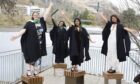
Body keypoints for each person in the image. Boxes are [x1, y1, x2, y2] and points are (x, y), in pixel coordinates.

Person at [11, 2, 53, 76]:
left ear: (39, 16)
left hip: (39, 44)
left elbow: (46, 14)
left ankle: (34, 70)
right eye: (34, 15)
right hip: (30, 43)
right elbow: (23, 31)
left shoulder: (41, 21)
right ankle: (29, 70)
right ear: (32, 16)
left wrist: (50, 6)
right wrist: (16, 36)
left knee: (36, 57)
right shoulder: (29, 23)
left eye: (37, 14)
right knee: (30, 56)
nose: (36, 16)